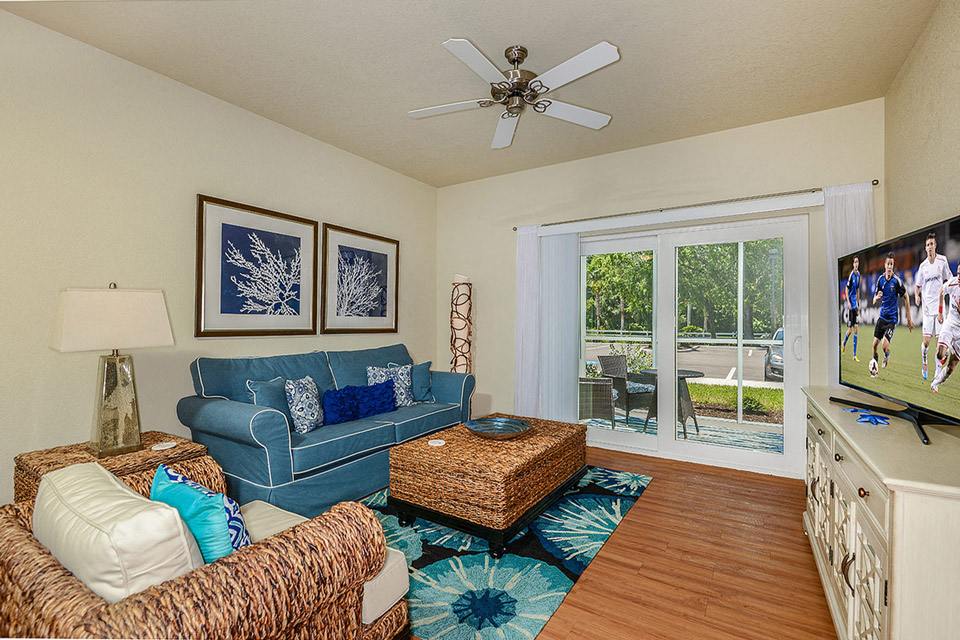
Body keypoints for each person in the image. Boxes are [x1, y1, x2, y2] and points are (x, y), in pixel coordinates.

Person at [914, 233, 953, 379]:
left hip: (940, 309)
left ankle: (937, 374)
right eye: (928, 245)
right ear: (925, 248)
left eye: (932, 244)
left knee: (939, 343)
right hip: (927, 310)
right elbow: (917, 286)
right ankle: (924, 362)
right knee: (926, 341)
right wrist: (917, 295)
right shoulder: (923, 266)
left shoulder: (942, 261)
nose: (930, 247)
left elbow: (949, 278)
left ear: (935, 245)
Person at [871, 252, 914, 377]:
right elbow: (874, 301)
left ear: (893, 266)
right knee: (874, 345)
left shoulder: (896, 282)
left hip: (892, 319)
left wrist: (909, 319)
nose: (889, 266)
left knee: (885, 345)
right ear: (884, 265)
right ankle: (875, 372)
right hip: (882, 317)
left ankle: (886, 355)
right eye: (888, 264)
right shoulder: (880, 280)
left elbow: (906, 297)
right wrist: (877, 298)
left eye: (891, 264)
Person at [931, 275, 960, 393]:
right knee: (939, 354)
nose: (959, 277)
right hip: (951, 324)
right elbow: (942, 290)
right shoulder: (953, 283)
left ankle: (935, 383)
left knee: (951, 367)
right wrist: (940, 312)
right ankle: (946, 349)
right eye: (958, 273)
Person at [842, 256, 861, 361]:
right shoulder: (851, 276)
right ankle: (844, 343)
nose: (856, 264)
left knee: (856, 329)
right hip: (850, 306)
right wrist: (848, 302)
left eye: (858, 262)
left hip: (855, 306)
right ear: (853, 264)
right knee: (849, 330)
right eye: (855, 262)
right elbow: (846, 288)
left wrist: (858, 304)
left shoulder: (858, 275)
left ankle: (854, 355)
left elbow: (857, 290)